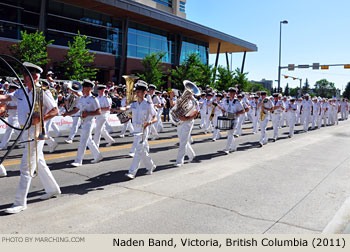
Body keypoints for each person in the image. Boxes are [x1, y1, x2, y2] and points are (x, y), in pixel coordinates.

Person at [0, 62, 61, 214]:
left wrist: (41, 118)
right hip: (25, 131)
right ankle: (53, 189)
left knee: (26, 167)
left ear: (34, 77)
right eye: (24, 75)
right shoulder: (21, 91)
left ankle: (20, 202)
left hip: (35, 132)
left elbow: (55, 110)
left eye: (27, 75)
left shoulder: (42, 91)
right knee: (39, 162)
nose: (24, 78)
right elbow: (7, 97)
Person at [119, 81, 157, 179]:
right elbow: (126, 110)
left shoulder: (148, 104)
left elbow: (155, 118)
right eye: (137, 91)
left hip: (144, 130)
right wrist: (119, 109)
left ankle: (132, 172)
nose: (137, 93)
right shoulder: (134, 104)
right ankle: (151, 165)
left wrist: (149, 123)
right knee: (142, 150)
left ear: (144, 92)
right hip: (136, 130)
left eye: (139, 91)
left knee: (138, 150)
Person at [70, 80, 103, 167]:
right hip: (82, 121)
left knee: (83, 141)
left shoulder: (93, 99)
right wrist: (67, 113)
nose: (83, 89)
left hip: (89, 122)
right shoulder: (82, 98)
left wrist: (88, 113)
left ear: (89, 88)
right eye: (83, 87)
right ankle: (98, 155)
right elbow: (76, 109)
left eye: (85, 87)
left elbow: (99, 112)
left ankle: (78, 160)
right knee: (88, 140)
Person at [175, 85, 199, 166]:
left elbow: (196, 112)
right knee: (182, 139)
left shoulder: (194, 101)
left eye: (188, 91)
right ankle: (191, 155)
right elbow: (175, 108)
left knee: (183, 141)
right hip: (180, 122)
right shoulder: (181, 100)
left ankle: (179, 161)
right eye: (186, 90)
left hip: (188, 122)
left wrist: (187, 118)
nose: (186, 92)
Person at [0, 82, 20, 150]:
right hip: (11, 115)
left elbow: (19, 107)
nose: (9, 90)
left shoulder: (17, 96)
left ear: (13, 89)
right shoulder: (10, 95)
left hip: (16, 115)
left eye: (10, 89)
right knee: (15, 130)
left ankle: (3, 145)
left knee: (12, 130)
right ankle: (25, 141)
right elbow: (3, 102)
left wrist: (9, 108)